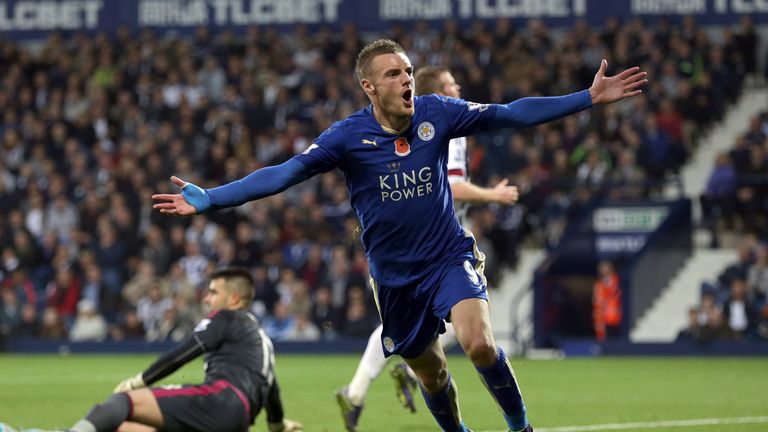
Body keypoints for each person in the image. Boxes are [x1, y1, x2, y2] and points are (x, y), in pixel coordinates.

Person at [152, 39, 646, 432]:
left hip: (447, 255)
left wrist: (587, 98)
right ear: (369, 86)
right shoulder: (346, 138)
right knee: (432, 375)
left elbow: (510, 112)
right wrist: (212, 197)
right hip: (393, 278)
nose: (407, 79)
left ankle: (520, 427)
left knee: (478, 344)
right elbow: (282, 174)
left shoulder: (438, 113)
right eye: (394, 73)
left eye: (409, 71)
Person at [335, 65, 520, 432]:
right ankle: (388, 378)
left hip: (427, 243)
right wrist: (493, 195)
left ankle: (361, 389)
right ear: (436, 91)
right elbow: (452, 187)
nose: (459, 85)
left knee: (460, 332)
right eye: (452, 83)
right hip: (434, 241)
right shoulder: (441, 126)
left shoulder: (438, 124)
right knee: (436, 330)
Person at [3, 267, 303, 432]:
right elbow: (272, 393)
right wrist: (277, 427)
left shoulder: (226, 317)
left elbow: (186, 351)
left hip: (219, 401)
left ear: (235, 300)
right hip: (236, 422)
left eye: (213, 292)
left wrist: (140, 381)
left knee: (121, 403)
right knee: (127, 429)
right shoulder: (262, 342)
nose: (207, 299)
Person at [592, 260, 622, 342]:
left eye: (604, 267)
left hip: (617, 316)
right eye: (601, 268)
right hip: (604, 316)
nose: (602, 270)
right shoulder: (599, 284)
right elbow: (597, 301)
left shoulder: (617, 280)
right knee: (604, 338)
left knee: (618, 338)